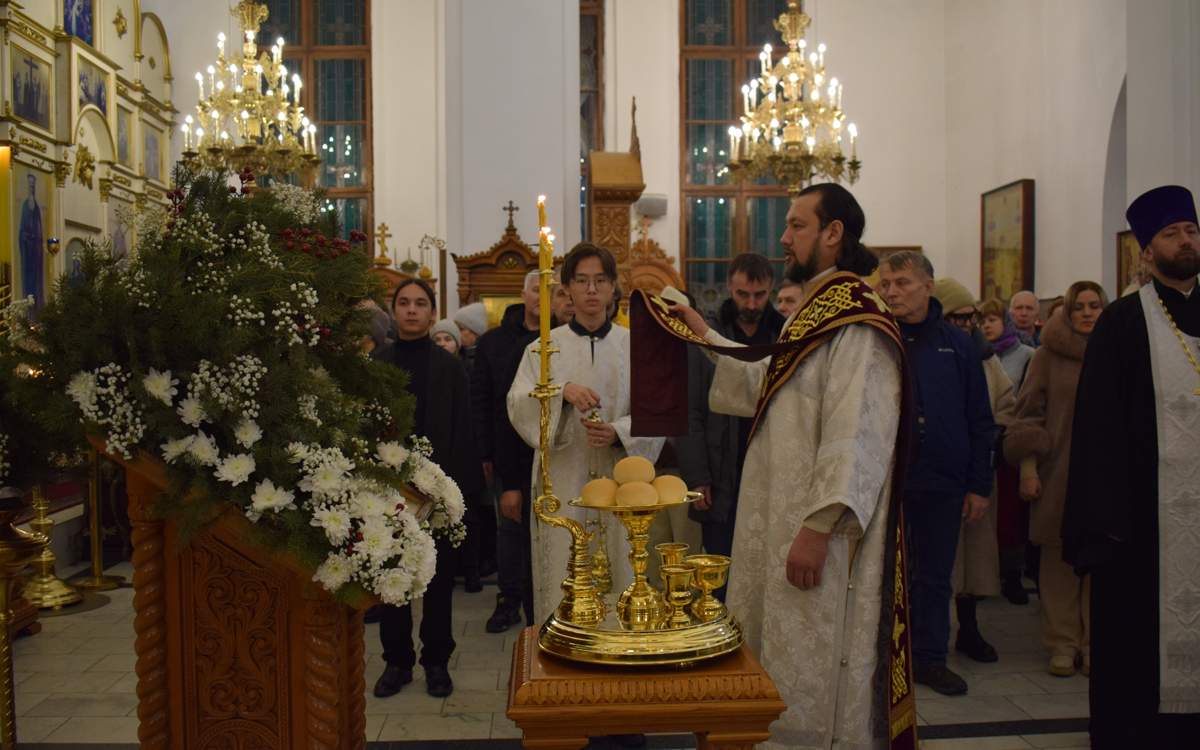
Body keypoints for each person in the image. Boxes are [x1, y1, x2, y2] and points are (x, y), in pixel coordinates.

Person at [665, 183, 912, 749]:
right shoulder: (817, 310)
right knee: (774, 655)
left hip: (816, 531)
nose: (783, 237)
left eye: (797, 224)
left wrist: (820, 526)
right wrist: (704, 334)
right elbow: (767, 389)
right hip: (780, 519)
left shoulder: (857, 319)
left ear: (833, 233)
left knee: (814, 662)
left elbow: (860, 432)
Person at [1064, 185, 1200, 749]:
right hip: (1143, 524)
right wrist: (1105, 524)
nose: (1185, 241)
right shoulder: (1121, 322)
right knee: (1135, 651)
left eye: (1191, 230)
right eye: (1170, 234)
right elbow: (1096, 429)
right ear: (1146, 252)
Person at [507, 244, 663, 623]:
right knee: (563, 570)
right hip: (563, 480)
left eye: (600, 281)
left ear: (613, 289)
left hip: (621, 482)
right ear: (567, 291)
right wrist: (561, 393)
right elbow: (518, 403)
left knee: (624, 575)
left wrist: (618, 431)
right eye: (582, 281)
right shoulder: (542, 350)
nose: (591, 290)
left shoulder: (636, 346)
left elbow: (656, 412)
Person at [879, 253, 994, 696]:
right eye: (886, 283)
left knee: (934, 577)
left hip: (943, 480)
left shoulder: (959, 344)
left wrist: (978, 485)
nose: (892, 291)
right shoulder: (877, 341)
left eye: (902, 282)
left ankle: (929, 659)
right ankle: (883, 660)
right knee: (883, 575)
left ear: (928, 286)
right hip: (887, 482)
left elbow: (980, 420)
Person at [372, 279, 484, 700]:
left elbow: (462, 428)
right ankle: (396, 661)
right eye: (404, 303)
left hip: (437, 487)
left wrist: (454, 491)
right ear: (393, 309)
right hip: (387, 490)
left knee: (437, 581)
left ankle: (436, 661)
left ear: (433, 312)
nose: (412, 310)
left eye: (420, 303)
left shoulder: (450, 366)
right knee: (393, 578)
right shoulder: (378, 362)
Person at [1005, 280, 1106, 677]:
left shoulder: (1118, 351)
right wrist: (1028, 468)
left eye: (1094, 305)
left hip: (1106, 474)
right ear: (1066, 311)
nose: (1086, 313)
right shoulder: (1047, 356)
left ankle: (1095, 642)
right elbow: (1027, 415)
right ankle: (1062, 643)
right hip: (1059, 473)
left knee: (1103, 561)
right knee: (1058, 563)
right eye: (1078, 306)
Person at [676, 253, 786, 583]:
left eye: (760, 295)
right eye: (743, 294)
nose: (751, 304)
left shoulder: (785, 335)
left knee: (767, 574)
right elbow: (690, 410)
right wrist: (697, 477)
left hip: (771, 469)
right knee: (719, 577)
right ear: (729, 288)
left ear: (771, 290)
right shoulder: (707, 334)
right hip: (720, 472)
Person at [935, 278, 1014, 664]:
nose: (967, 324)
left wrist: (989, 435)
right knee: (937, 564)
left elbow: (1005, 404)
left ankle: (969, 629)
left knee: (975, 560)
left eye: (972, 317)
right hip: (939, 472)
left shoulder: (986, 358)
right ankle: (932, 640)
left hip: (978, 471)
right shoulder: (932, 351)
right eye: (958, 317)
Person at [473, 271, 542, 632]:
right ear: (523, 294)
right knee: (511, 531)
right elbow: (484, 404)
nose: (541, 297)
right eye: (536, 289)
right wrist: (486, 454)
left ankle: (543, 599)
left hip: (550, 455)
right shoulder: (493, 343)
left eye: (551, 290)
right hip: (507, 449)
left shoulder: (558, 340)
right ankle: (509, 599)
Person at [979, 298, 1036, 603]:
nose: (987, 325)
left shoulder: (1026, 355)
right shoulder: (977, 354)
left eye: (993, 319)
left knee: (1011, 516)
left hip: (1010, 442)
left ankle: (1013, 574)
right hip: (983, 442)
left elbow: (1025, 403)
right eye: (983, 320)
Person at [18, 173, 43, 309]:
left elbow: (40, 232)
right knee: (28, 282)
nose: (32, 188)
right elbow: (21, 231)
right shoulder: (24, 206)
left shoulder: (37, 208)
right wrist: (26, 237)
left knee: (36, 283)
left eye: (33, 186)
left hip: (35, 252)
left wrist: (37, 240)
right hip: (27, 252)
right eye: (30, 186)